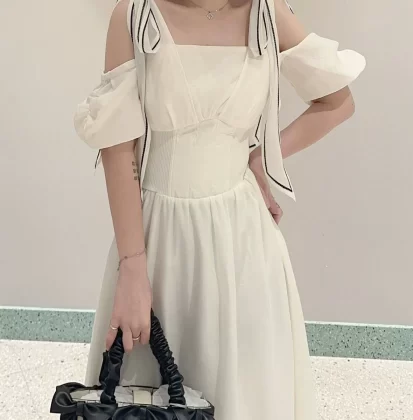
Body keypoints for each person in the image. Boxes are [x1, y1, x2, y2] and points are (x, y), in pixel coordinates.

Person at [74, 0, 366, 418]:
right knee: (145, 395)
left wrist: (261, 159)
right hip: (157, 239)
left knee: (244, 392)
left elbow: (337, 102)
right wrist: (133, 268)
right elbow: (117, 145)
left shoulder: (267, 13)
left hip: (242, 242)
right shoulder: (136, 14)